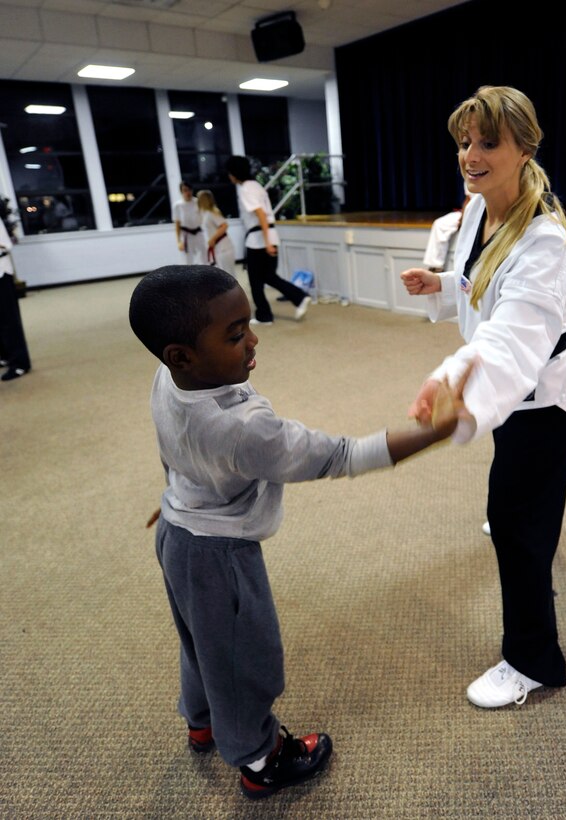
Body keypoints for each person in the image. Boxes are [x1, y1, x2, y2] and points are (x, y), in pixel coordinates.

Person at [129, 264, 471, 800]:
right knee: (247, 660)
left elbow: (172, 445)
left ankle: (201, 722)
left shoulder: (166, 378)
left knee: (202, 643)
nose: (254, 339)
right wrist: (434, 433)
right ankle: (261, 761)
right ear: (182, 354)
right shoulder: (245, 430)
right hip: (221, 556)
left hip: (176, 533)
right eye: (236, 333)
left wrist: (174, 491)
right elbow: (339, 456)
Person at [401, 85, 566, 709]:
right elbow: (476, 279)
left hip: (542, 393)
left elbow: (513, 339)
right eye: (464, 141)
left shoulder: (547, 243)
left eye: (487, 142)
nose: (470, 154)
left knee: (515, 525)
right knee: (520, 499)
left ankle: (531, 661)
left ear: (524, 148)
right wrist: (438, 282)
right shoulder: (480, 208)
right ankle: (533, 519)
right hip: (513, 393)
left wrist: (457, 386)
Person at [226, 155, 311, 326]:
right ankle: (298, 297)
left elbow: (260, 214)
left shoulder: (245, 189)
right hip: (268, 235)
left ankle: (266, 315)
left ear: (234, 173)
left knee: (255, 280)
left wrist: (267, 242)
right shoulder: (256, 185)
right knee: (268, 276)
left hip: (259, 239)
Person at [0, 212, 31, 381]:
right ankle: (4, 355)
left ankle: (20, 363)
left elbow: (6, 245)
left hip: (1, 274)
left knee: (8, 321)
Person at [196, 189, 236, 274]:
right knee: (222, 275)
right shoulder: (205, 213)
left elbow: (224, 226)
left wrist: (212, 239)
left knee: (228, 275)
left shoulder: (213, 212)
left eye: (199, 198)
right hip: (218, 248)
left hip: (224, 248)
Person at [172, 181, 205, 264]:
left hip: (198, 233)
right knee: (188, 260)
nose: (188, 192)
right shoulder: (177, 205)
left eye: (189, 190)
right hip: (186, 234)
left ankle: (205, 275)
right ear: (181, 192)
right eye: (185, 190)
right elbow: (177, 224)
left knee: (204, 256)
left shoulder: (198, 202)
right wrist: (179, 241)